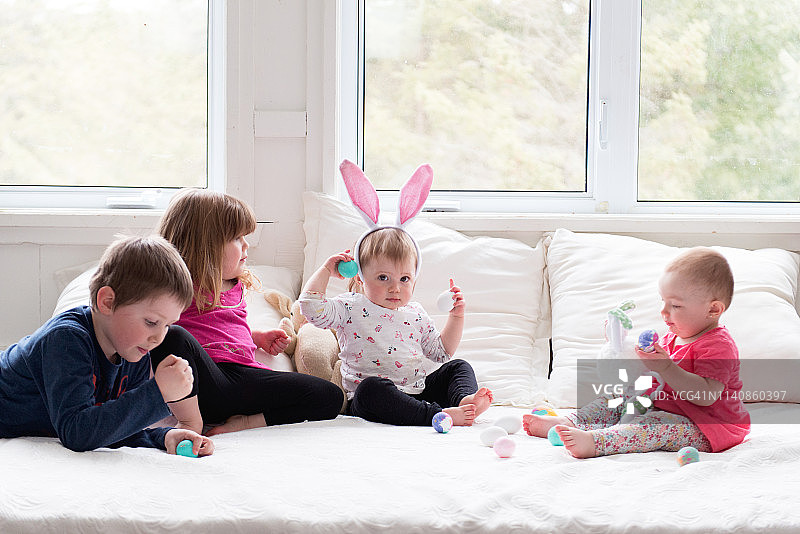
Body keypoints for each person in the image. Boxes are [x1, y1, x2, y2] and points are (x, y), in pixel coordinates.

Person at [523, 247, 750, 458]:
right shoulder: (672, 336)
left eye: (676, 305)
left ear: (713, 309)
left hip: (707, 425)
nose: (663, 311)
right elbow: (649, 375)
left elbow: (706, 396)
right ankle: (570, 421)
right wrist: (621, 348)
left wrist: (666, 367)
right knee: (615, 401)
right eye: (663, 301)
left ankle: (597, 442)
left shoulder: (719, 346)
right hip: (662, 404)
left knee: (654, 425)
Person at [0, 236, 213, 456]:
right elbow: (77, 432)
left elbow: (112, 425)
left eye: (167, 325)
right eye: (151, 322)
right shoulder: (66, 339)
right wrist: (158, 393)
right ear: (108, 302)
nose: (158, 337)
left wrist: (163, 436)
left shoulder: (134, 353)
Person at [155, 188, 344, 436]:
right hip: (197, 381)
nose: (246, 245)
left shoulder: (236, 284)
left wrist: (256, 338)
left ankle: (246, 422)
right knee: (173, 336)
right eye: (236, 238)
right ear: (205, 245)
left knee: (330, 396)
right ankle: (190, 421)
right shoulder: (175, 287)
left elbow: (224, 328)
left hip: (242, 381)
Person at [298, 228, 492, 426]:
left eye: (404, 279)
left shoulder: (415, 313)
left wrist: (456, 316)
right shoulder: (349, 306)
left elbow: (441, 353)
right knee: (371, 388)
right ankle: (439, 415)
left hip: (417, 392)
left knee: (458, 367)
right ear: (360, 277)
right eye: (383, 277)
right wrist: (326, 270)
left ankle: (464, 400)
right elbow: (311, 307)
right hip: (374, 400)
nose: (395, 288)